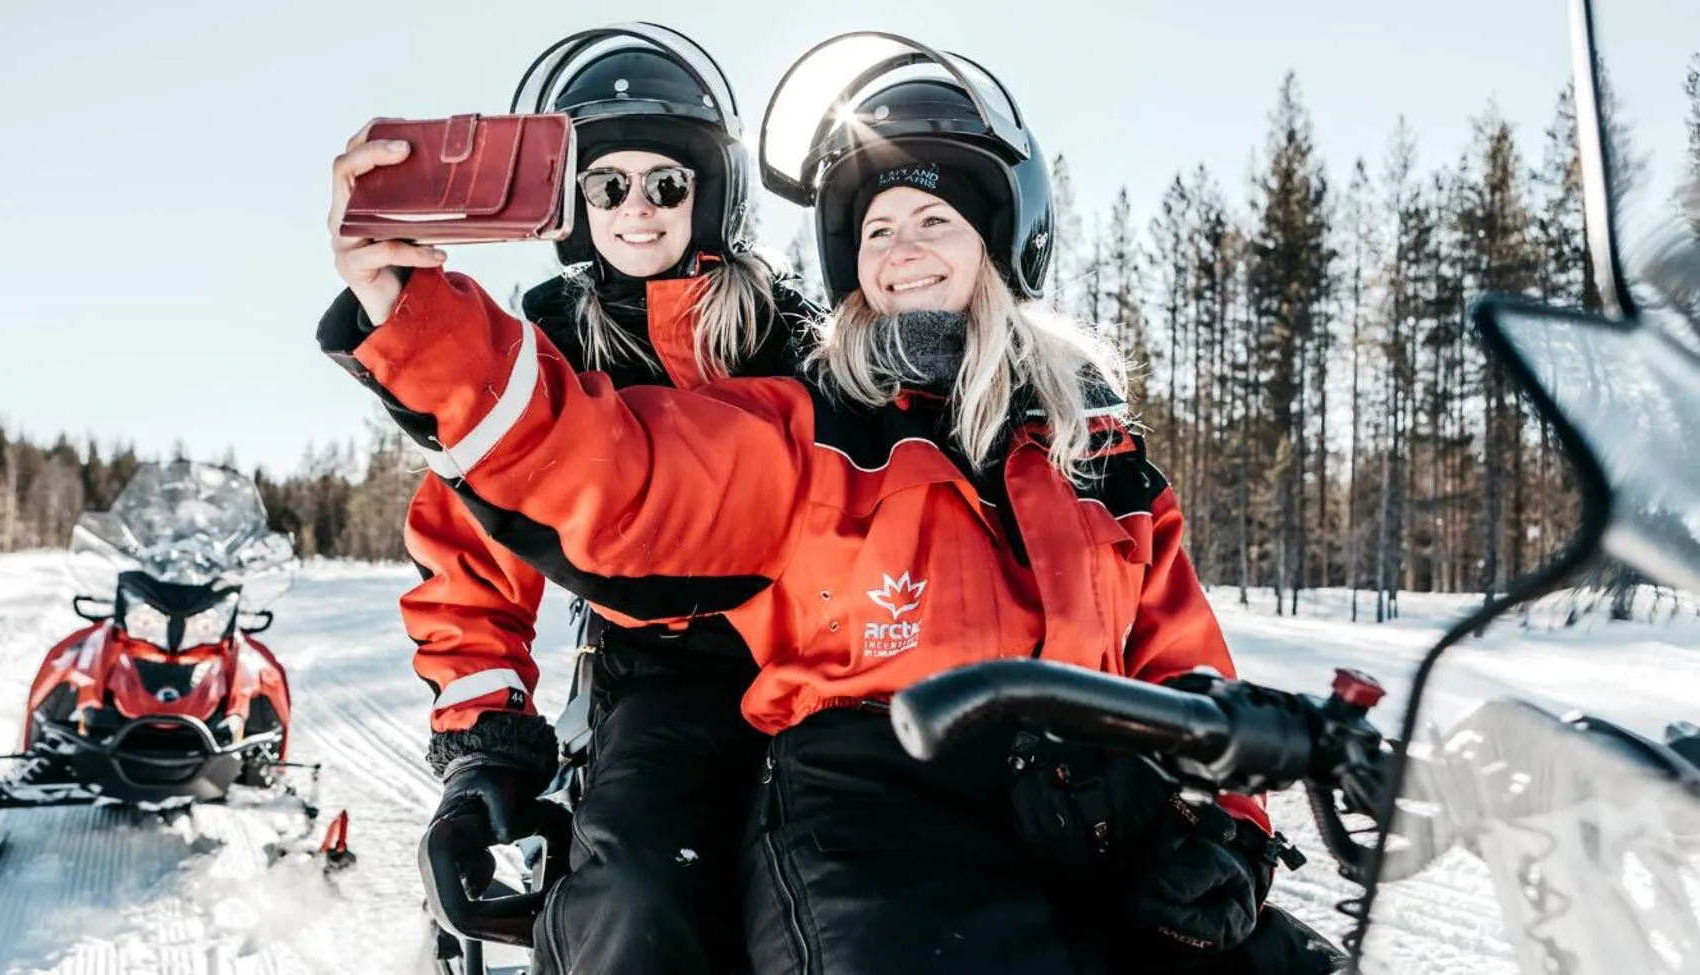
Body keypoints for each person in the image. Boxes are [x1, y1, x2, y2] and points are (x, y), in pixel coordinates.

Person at [323, 32, 1340, 974]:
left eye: (935, 219)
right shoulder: (795, 409)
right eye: (878, 228)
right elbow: (592, 480)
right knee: (639, 895)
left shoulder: (1075, 440)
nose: (637, 208)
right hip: (745, 711)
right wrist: (413, 317)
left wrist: (1228, 816)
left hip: (1061, 778)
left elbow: (1175, 651)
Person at [321, 24, 818, 974]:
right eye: (606, 184)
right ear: (572, 203)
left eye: (666, 184)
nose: (636, 208)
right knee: (635, 891)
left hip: (816, 666)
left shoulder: (792, 333)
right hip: (660, 677)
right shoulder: (535, 346)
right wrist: (483, 744)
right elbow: (470, 557)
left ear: (710, 193)